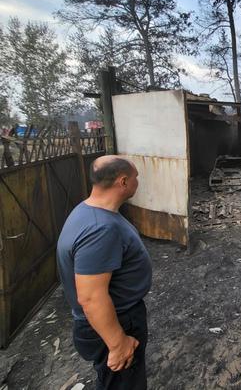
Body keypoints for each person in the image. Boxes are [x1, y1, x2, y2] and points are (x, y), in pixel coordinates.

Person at [57, 155, 152, 389]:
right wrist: (118, 343)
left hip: (115, 318)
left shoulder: (88, 210)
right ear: (123, 182)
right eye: (135, 178)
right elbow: (91, 297)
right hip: (116, 323)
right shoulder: (101, 228)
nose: (137, 182)